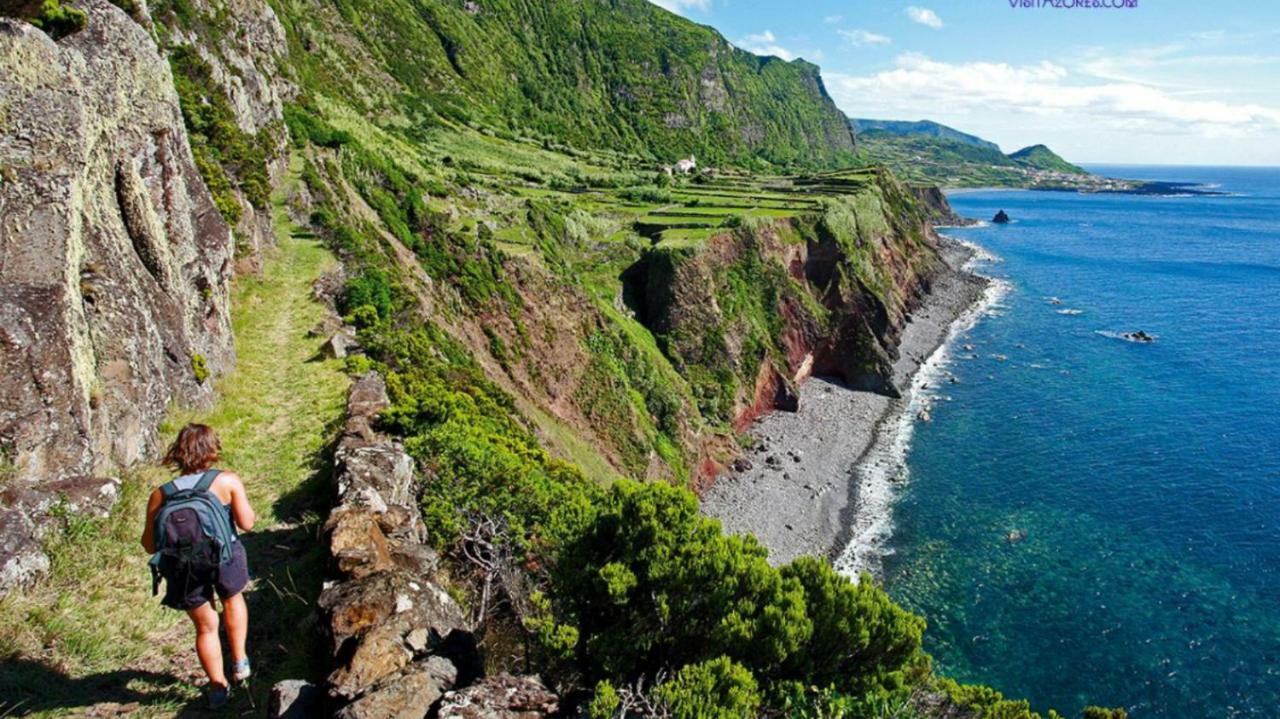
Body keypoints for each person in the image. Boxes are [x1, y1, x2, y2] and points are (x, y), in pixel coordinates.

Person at [142, 423, 256, 709]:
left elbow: (149, 545)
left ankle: (218, 687)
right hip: (225, 556)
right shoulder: (227, 481)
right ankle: (240, 661)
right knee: (232, 599)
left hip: (183, 568)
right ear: (211, 449)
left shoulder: (160, 494)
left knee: (205, 628)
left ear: (179, 453)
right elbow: (247, 523)